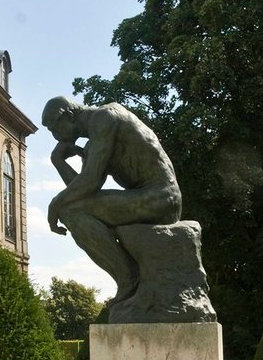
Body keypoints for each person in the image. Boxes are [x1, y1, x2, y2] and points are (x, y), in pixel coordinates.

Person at [42, 96, 181, 306]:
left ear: (69, 116)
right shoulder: (92, 144)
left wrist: (55, 206)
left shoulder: (105, 117)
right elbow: (83, 192)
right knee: (72, 211)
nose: (54, 137)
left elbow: (89, 183)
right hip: (144, 198)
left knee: (68, 211)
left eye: (54, 128)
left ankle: (128, 277)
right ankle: (128, 277)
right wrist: (58, 162)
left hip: (161, 196)